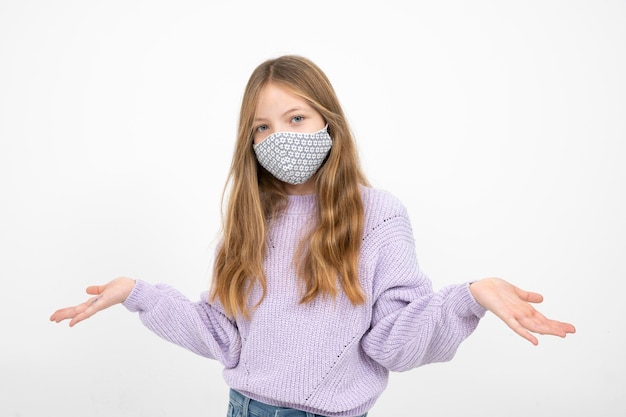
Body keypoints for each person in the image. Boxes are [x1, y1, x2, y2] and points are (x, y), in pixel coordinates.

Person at [50, 55, 576, 417]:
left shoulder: (379, 216)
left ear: (328, 122)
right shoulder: (248, 221)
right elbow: (222, 335)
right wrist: (138, 294)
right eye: (262, 126)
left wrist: (469, 297)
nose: (280, 136)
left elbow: (394, 342)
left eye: (296, 117)